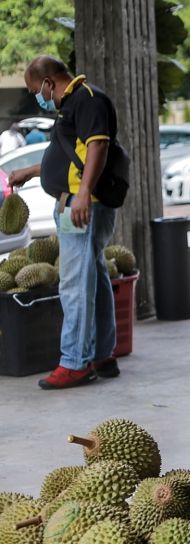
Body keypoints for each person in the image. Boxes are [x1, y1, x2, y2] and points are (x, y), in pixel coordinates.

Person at [9, 56, 121, 389]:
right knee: (95, 277)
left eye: (35, 90)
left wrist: (83, 194)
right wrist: (30, 172)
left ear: (48, 82)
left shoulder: (87, 99)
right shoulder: (74, 104)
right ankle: (101, 354)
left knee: (73, 284)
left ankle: (75, 362)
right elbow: (74, 155)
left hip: (78, 206)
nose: (36, 97)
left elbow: (98, 146)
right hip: (77, 202)